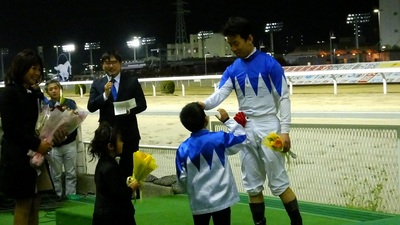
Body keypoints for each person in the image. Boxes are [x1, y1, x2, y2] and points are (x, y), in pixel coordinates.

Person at [199, 17, 303, 225]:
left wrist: (285, 131)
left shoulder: (270, 64)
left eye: (236, 43)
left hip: (270, 128)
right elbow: (219, 95)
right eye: (230, 44)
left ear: (250, 39)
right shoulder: (232, 69)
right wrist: (202, 105)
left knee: (279, 182)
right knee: (252, 185)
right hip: (244, 129)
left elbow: (284, 98)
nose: (233, 48)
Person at [0, 49, 55, 225]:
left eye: (39, 69)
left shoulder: (32, 94)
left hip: (34, 157)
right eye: (33, 68)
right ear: (21, 67)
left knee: (35, 203)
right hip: (18, 157)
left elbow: (37, 125)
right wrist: (38, 144)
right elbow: (11, 129)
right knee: (23, 204)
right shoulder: (8, 93)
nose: (37, 73)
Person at [176, 102, 248, 225]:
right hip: (222, 199)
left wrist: (190, 191)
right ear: (206, 120)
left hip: (198, 201)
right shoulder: (219, 138)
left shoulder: (182, 149)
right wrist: (227, 120)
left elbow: (182, 178)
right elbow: (242, 137)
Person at [87, 50, 147, 181]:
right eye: (107, 63)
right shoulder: (97, 84)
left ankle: (129, 196)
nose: (111, 66)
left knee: (129, 169)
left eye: (114, 62)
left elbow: (142, 104)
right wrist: (104, 95)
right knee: (108, 170)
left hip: (129, 134)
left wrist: (128, 110)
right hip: (106, 135)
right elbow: (90, 107)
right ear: (102, 65)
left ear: (120, 64)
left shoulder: (132, 82)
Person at [88, 121, 140, 225]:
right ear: (110, 146)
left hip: (105, 214)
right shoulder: (110, 168)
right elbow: (118, 194)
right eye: (120, 140)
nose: (122, 142)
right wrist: (131, 188)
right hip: (113, 217)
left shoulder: (103, 163)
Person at [45, 80, 78, 200]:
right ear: (47, 92)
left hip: (69, 144)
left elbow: (76, 121)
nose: (54, 91)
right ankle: (58, 197)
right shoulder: (45, 106)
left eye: (55, 88)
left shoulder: (70, 103)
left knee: (71, 173)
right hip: (53, 146)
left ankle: (71, 197)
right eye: (50, 89)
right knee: (55, 175)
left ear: (60, 89)